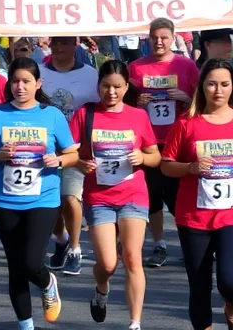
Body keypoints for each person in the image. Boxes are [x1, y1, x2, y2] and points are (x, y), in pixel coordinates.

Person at [160, 58, 233, 330]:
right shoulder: (187, 123)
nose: (218, 90)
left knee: (231, 282)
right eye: (212, 84)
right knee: (199, 287)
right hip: (193, 217)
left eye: (224, 84)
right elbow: (166, 165)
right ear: (201, 86)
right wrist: (190, 167)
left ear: (232, 87)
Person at [0, 57, 79, 329]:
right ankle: (26, 325)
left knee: (30, 261)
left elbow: (72, 154)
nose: (20, 87)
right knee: (15, 266)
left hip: (42, 198)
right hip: (5, 199)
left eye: (26, 81)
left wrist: (58, 160)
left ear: (38, 84)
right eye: (15, 81)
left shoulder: (52, 115)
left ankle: (47, 282)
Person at [72, 60, 159, 330]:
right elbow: (69, 152)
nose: (111, 92)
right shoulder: (85, 114)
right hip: (99, 196)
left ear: (126, 87)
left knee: (133, 257)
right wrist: (79, 163)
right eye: (106, 87)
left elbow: (156, 157)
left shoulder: (138, 116)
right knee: (108, 263)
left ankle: (135, 323)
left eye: (118, 87)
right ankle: (101, 287)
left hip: (133, 193)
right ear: (98, 85)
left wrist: (142, 157)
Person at [127, 17, 199, 268]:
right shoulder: (136, 67)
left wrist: (186, 97)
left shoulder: (186, 66)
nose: (159, 42)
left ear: (173, 38)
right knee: (153, 195)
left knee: (180, 196)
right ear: (148, 38)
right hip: (148, 140)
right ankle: (159, 244)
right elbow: (126, 103)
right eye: (155, 37)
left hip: (177, 139)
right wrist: (137, 102)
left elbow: (204, 101)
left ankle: (189, 243)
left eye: (164, 37)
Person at [39, 36, 98, 277]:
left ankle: (74, 247)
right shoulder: (40, 72)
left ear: (75, 46)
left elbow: (99, 108)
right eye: (55, 43)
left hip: (75, 148)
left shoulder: (90, 74)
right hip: (42, 150)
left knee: (70, 197)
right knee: (50, 205)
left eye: (64, 43)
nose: (59, 47)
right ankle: (61, 240)